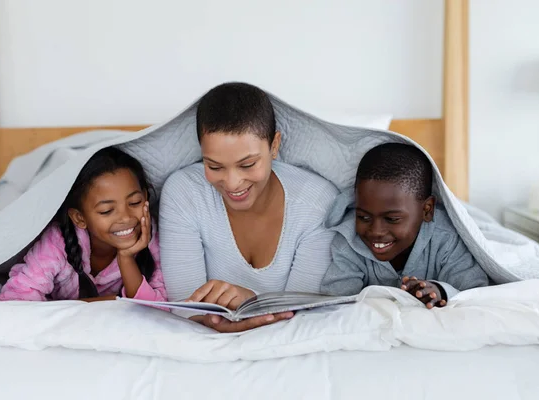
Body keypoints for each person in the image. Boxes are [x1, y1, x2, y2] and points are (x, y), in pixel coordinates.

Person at [158, 82, 339, 332]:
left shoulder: (318, 204)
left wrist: (251, 301)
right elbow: (185, 310)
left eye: (247, 164)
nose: (232, 183)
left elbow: (303, 314)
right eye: (214, 166)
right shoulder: (184, 193)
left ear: (274, 146)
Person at [320, 143, 489, 308]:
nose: (376, 231)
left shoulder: (447, 238)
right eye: (363, 217)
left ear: (427, 210)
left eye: (392, 219)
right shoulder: (349, 241)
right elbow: (336, 304)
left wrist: (440, 291)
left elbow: (477, 294)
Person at [0, 147, 167, 302]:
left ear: (146, 197)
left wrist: (126, 258)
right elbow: (17, 298)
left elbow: (160, 307)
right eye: (107, 210)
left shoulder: (151, 236)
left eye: (135, 202)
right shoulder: (58, 241)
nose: (125, 218)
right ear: (79, 218)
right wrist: (109, 301)